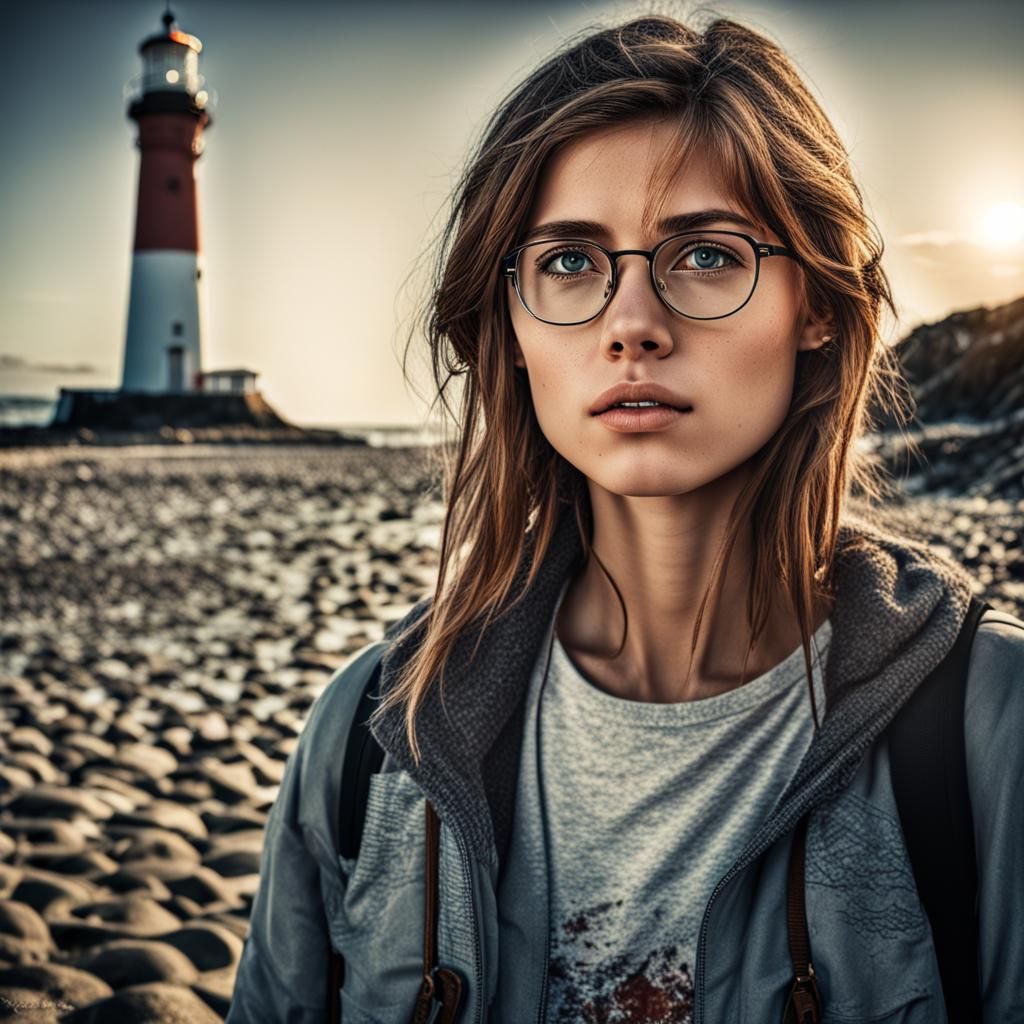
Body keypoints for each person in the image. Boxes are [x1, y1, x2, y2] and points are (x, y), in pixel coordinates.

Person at [226, 12, 1024, 1023]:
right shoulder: (375, 739)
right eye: (567, 261)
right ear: (508, 325)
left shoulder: (991, 732)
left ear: (815, 304)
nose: (631, 324)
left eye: (704, 255)